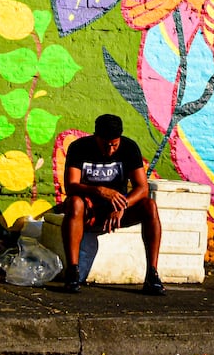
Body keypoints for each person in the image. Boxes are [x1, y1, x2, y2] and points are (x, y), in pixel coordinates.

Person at [56, 114, 165, 295]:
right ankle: (73, 271)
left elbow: (142, 188)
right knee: (74, 203)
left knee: (150, 206)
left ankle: (152, 275)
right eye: (106, 144)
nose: (111, 149)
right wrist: (98, 190)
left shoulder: (129, 148)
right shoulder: (79, 148)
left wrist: (123, 205)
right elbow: (71, 186)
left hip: (118, 211)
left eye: (114, 144)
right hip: (88, 209)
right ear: (96, 137)